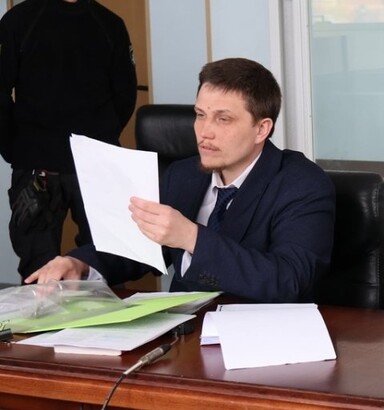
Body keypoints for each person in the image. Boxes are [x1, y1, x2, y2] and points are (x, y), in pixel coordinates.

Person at [25, 57, 336, 303]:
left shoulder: (303, 184)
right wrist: (80, 264)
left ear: (261, 129)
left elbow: (289, 280)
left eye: (223, 119)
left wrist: (191, 237)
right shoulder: (183, 174)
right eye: (200, 115)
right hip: (184, 333)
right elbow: (139, 249)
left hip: (261, 342)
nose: (204, 131)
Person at [0, 0, 138, 280]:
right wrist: (13, 146)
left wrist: (101, 140)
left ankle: (101, 322)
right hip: (38, 163)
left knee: (103, 261)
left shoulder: (109, 24)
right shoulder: (19, 21)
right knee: (39, 269)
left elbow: (125, 94)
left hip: (95, 162)